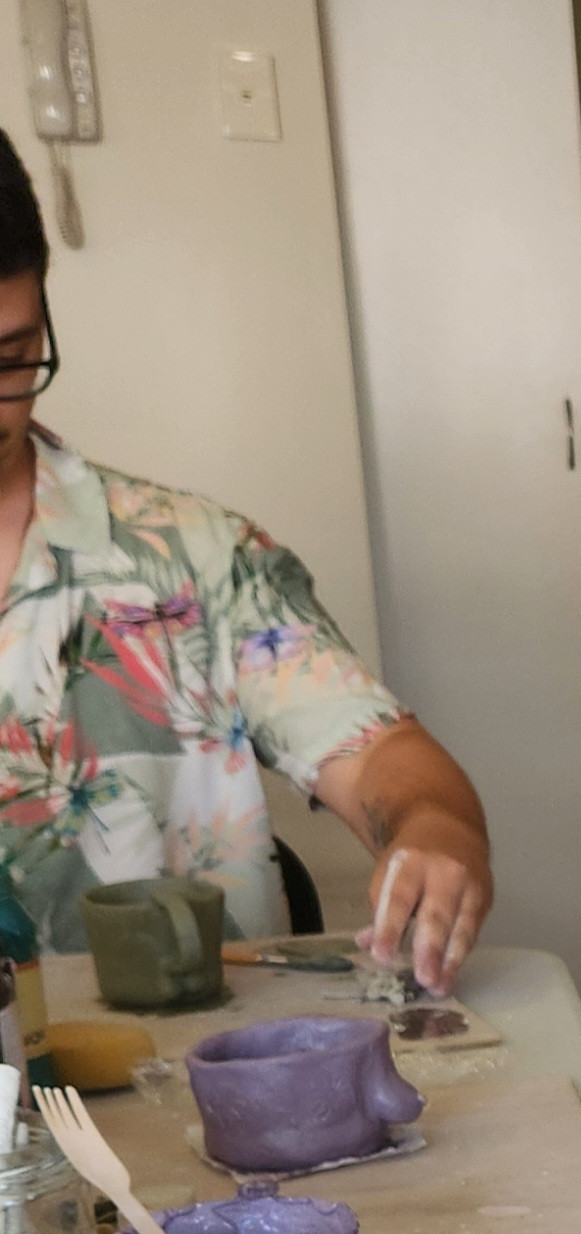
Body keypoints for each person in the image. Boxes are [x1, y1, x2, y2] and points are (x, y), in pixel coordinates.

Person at [0, 132, 492, 990]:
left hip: (180, 1096)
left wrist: (435, 836)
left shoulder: (196, 560)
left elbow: (384, 759)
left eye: (9, 359)